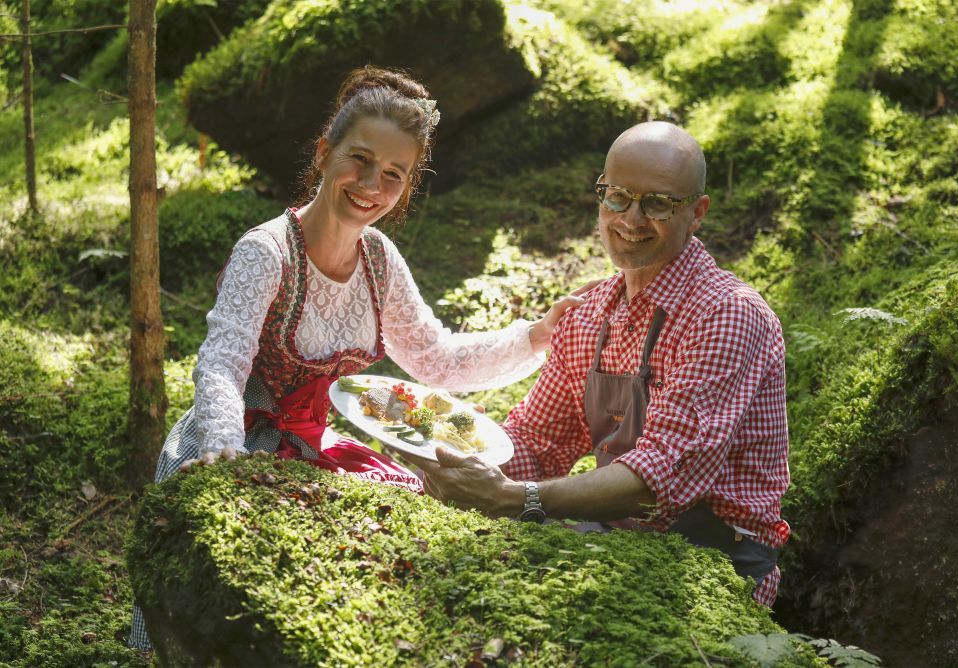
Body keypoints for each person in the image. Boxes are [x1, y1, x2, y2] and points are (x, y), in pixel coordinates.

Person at [128, 65, 586, 651]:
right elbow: (222, 364)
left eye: (393, 173)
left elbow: (438, 360)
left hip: (309, 446)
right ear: (324, 153)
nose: (371, 183)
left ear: (408, 184)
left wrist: (537, 337)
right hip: (235, 443)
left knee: (414, 523)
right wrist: (226, 453)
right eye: (359, 159)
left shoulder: (379, 261)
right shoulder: (267, 252)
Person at [409, 121, 791, 607]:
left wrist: (514, 498)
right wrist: (451, 458)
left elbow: (658, 480)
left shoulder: (727, 314)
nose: (631, 218)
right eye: (618, 197)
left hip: (718, 561)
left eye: (657, 203)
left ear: (697, 213)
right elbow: (536, 441)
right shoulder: (589, 314)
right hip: (616, 539)